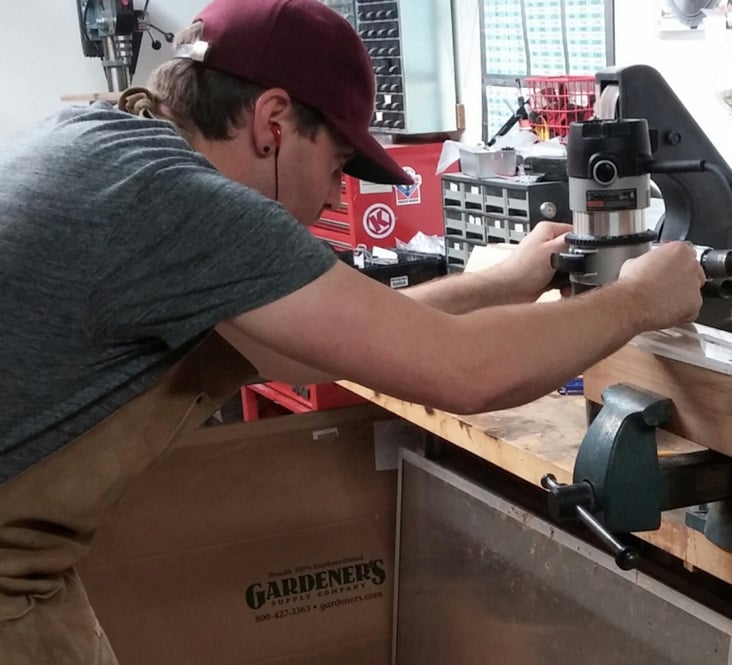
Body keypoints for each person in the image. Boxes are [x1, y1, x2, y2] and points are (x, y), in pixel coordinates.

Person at [0, 0, 705, 662]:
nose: (338, 196)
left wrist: (503, 282)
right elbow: (466, 373)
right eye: (337, 162)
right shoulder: (181, 201)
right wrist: (641, 297)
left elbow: (305, 354)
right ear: (272, 121)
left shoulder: (106, 145)